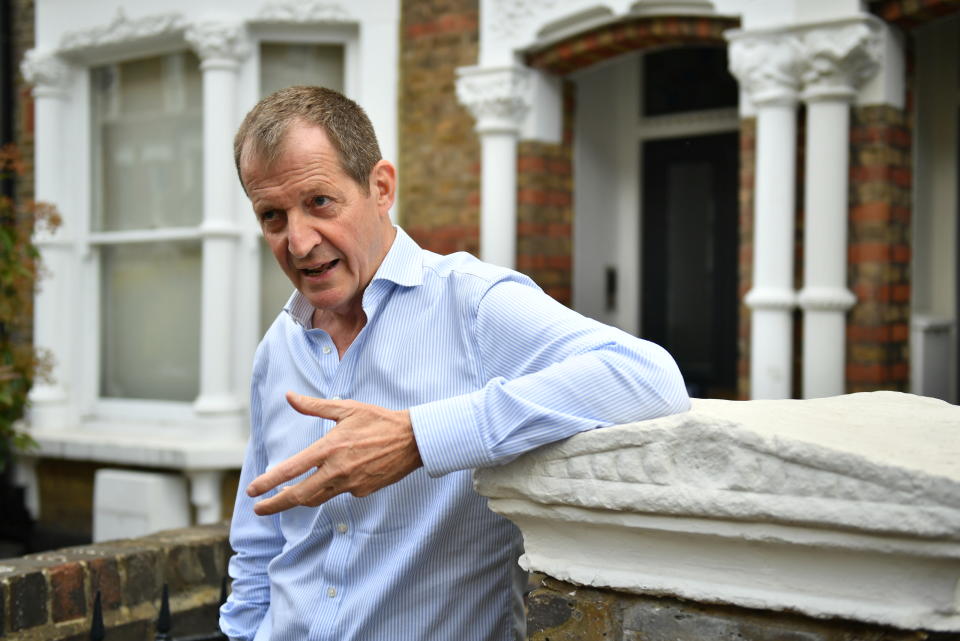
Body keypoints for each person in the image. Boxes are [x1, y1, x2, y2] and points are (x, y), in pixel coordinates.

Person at [219, 85, 690, 641]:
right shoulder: (279, 346)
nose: (297, 242)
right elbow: (259, 544)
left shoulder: (471, 304)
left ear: (380, 187)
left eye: (319, 202)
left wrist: (419, 437)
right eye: (272, 216)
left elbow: (647, 376)